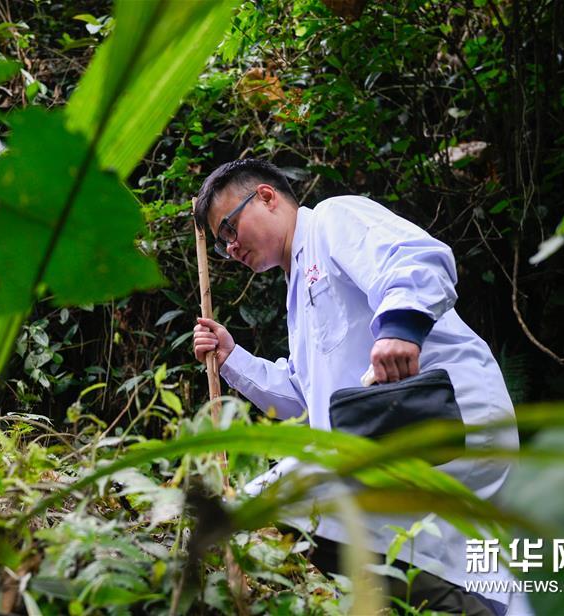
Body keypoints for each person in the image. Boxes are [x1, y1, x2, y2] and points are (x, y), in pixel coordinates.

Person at [191, 159, 523, 615]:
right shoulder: (297, 283)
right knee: (415, 552)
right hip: (389, 435)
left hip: (443, 410)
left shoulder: (331, 219)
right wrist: (232, 358)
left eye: (229, 228)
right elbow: (307, 398)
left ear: (266, 196)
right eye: (221, 242)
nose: (230, 248)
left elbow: (415, 257)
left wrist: (400, 328)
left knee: (270, 502)